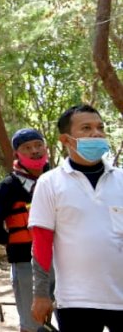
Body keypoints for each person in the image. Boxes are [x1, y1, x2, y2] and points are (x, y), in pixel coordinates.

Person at [29, 104, 123, 331]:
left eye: (100, 127)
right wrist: (41, 294)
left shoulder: (121, 179)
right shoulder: (50, 183)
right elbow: (41, 242)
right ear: (66, 139)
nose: (97, 133)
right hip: (76, 301)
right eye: (87, 128)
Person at [0, 128, 52, 332]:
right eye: (27, 147)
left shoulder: (56, 179)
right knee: (32, 322)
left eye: (38, 145)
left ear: (45, 147)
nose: (35, 151)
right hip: (25, 262)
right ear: (17, 154)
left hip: (62, 261)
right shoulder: (8, 186)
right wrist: (13, 242)